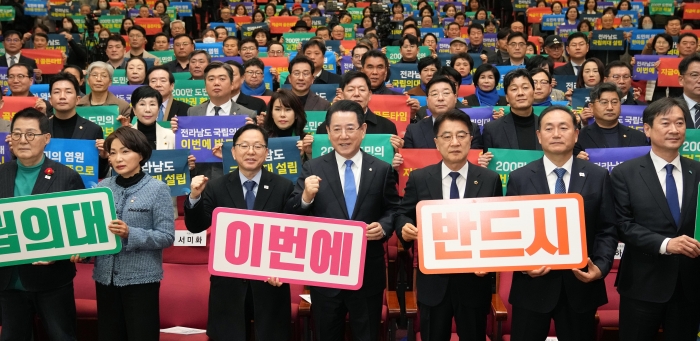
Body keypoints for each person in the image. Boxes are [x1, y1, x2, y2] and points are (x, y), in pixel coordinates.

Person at [285, 100, 401, 341]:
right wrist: (306, 196)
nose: (343, 135)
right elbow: (293, 213)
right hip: (325, 275)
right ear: (327, 132)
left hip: (367, 273)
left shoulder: (381, 169)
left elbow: (393, 209)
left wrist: (383, 227)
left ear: (363, 130)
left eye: (350, 128)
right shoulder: (312, 167)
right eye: (336, 129)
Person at [507, 105, 617, 341]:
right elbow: (511, 230)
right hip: (532, 287)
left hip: (580, 287)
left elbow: (607, 228)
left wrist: (600, 266)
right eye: (549, 128)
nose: (556, 133)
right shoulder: (520, 178)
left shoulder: (597, 176)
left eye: (563, 127)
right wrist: (523, 265)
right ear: (539, 136)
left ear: (576, 134)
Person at [396, 109, 501, 340]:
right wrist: (404, 227)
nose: (455, 142)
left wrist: (490, 265)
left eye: (461, 135)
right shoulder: (420, 178)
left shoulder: (490, 179)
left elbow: (496, 228)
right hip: (434, 284)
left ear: (471, 139)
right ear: (436, 142)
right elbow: (403, 214)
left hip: (474, 282)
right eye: (447, 136)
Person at [186, 124, 293, 340]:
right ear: (233, 152)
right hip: (229, 287)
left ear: (267, 152)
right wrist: (194, 197)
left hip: (270, 285)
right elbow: (196, 226)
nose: (250, 151)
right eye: (244, 146)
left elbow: (292, 235)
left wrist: (283, 269)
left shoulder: (284, 187)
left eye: (257, 146)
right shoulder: (216, 186)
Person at [611, 97, 700, 340]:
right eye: (666, 123)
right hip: (642, 283)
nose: (674, 130)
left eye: (680, 123)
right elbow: (623, 225)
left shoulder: (697, 172)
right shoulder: (624, 173)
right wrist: (666, 244)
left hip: (690, 285)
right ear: (647, 129)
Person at [0, 108, 84, 341]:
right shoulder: (1, 173)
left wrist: (61, 253)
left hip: (52, 281)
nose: (22, 140)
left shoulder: (66, 176)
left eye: (30, 134)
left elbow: (81, 231)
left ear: (46, 139)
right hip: (8, 282)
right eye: (17, 134)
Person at [89, 126, 174, 341]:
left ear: (141, 154)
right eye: (113, 152)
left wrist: (131, 233)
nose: (118, 158)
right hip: (105, 280)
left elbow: (166, 236)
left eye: (125, 151)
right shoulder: (101, 188)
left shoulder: (158, 189)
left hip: (141, 282)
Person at [48, 72, 110, 178]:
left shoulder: (93, 130)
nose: (62, 97)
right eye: (57, 92)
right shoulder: (39, 128)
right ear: (50, 100)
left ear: (77, 100)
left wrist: (103, 157)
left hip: (79, 190)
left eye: (68, 92)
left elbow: (99, 174)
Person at [402, 75, 483, 151]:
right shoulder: (413, 130)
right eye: (434, 94)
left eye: (446, 93)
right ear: (427, 101)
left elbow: (474, 158)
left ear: (455, 98)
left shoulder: (472, 128)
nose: (440, 98)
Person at [481, 69, 540, 169]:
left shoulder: (547, 126)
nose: (520, 93)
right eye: (514, 89)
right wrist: (483, 163)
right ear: (507, 97)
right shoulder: (492, 129)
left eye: (525, 88)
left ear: (533, 92)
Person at [574, 82, 648, 158]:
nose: (610, 107)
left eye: (614, 102)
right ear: (591, 107)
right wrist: (577, 162)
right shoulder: (578, 137)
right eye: (604, 102)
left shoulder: (638, 137)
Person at [261, 89, 312, 159]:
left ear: (296, 114)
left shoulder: (306, 141)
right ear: (271, 113)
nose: (282, 115)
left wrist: (307, 154)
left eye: (288, 110)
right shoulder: (261, 139)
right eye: (278, 109)